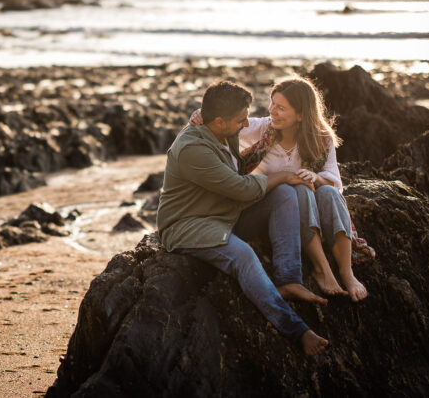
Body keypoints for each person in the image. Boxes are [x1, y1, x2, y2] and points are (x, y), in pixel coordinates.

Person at [158, 80, 330, 356]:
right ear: (218, 121)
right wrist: (284, 174)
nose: (246, 123)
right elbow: (240, 189)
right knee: (244, 255)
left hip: (225, 214)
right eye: (241, 119)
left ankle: (289, 278)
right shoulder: (193, 149)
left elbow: (244, 186)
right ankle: (297, 330)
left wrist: (287, 181)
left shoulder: (223, 132)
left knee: (285, 194)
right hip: (190, 225)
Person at [194, 77, 370, 302]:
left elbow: (335, 182)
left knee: (328, 192)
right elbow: (226, 123)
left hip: (313, 212)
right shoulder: (263, 129)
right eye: (272, 104)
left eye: (281, 108)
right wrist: (200, 115)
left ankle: (347, 273)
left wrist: (315, 177)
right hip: (279, 211)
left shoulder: (322, 140)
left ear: (301, 115)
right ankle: (322, 269)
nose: (272, 111)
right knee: (300, 190)